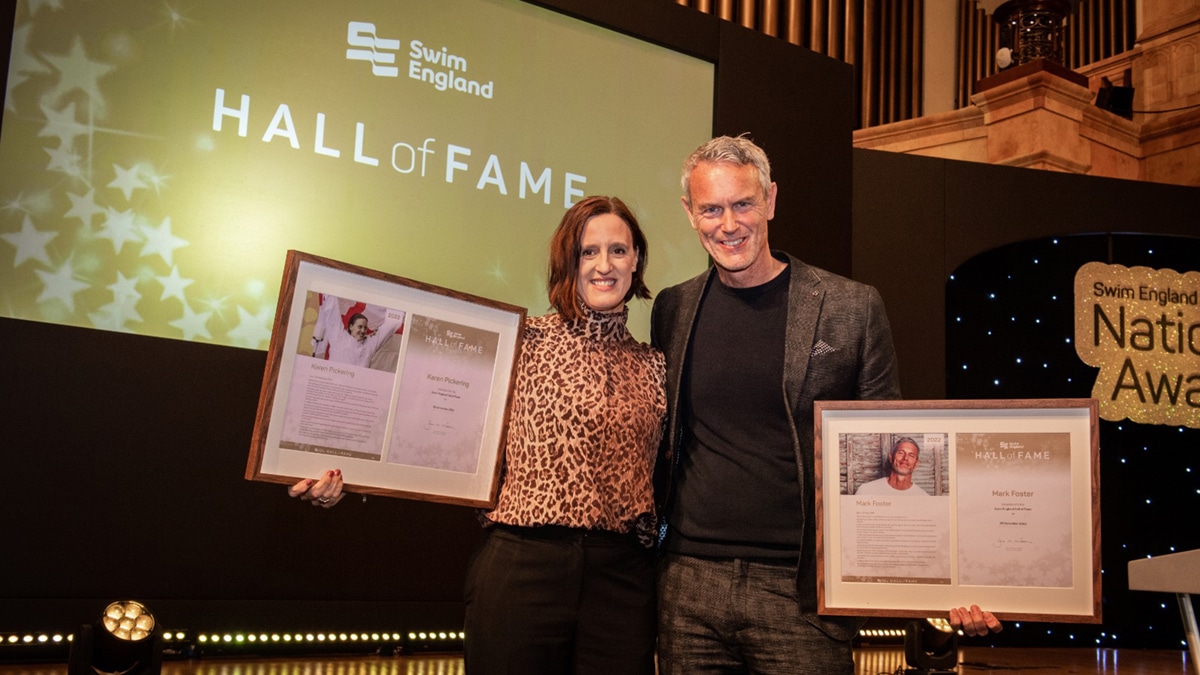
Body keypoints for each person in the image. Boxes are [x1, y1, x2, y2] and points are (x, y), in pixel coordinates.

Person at [650, 135, 1000, 674]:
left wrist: (952, 578)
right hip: (687, 586)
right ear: (689, 213)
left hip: (800, 591)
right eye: (711, 209)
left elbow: (897, 453)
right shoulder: (672, 309)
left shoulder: (850, 306)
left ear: (770, 199)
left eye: (742, 204)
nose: (728, 224)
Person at [291, 195, 666, 675]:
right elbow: (414, 418)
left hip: (623, 582)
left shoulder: (655, 366)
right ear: (566, 260)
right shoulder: (515, 342)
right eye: (587, 251)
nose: (604, 264)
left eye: (618, 250)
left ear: (636, 261)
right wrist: (340, 474)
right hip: (522, 567)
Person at [311, 295, 404, 369]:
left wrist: (399, 298)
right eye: (360, 327)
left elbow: (391, 325)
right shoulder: (339, 337)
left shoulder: (370, 344)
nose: (363, 331)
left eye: (365, 327)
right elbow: (331, 312)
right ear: (351, 326)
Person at [856, 436, 930, 496]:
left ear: (916, 464)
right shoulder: (866, 491)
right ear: (891, 458)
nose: (905, 458)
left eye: (911, 455)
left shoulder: (923, 498)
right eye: (901, 453)